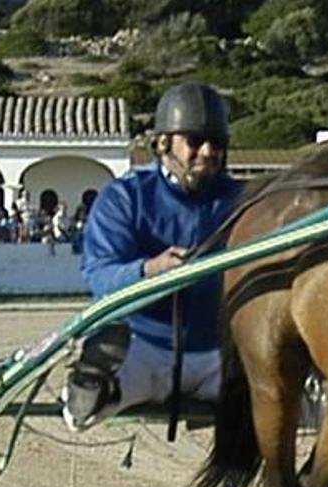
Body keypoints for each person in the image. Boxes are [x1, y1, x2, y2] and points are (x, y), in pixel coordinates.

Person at [63, 82, 242, 431]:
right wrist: (150, 270)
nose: (207, 152)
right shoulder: (124, 198)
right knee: (97, 393)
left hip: (218, 353)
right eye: (194, 141)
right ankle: (89, 388)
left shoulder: (243, 201)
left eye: (216, 143)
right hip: (144, 348)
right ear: (163, 144)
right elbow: (100, 278)